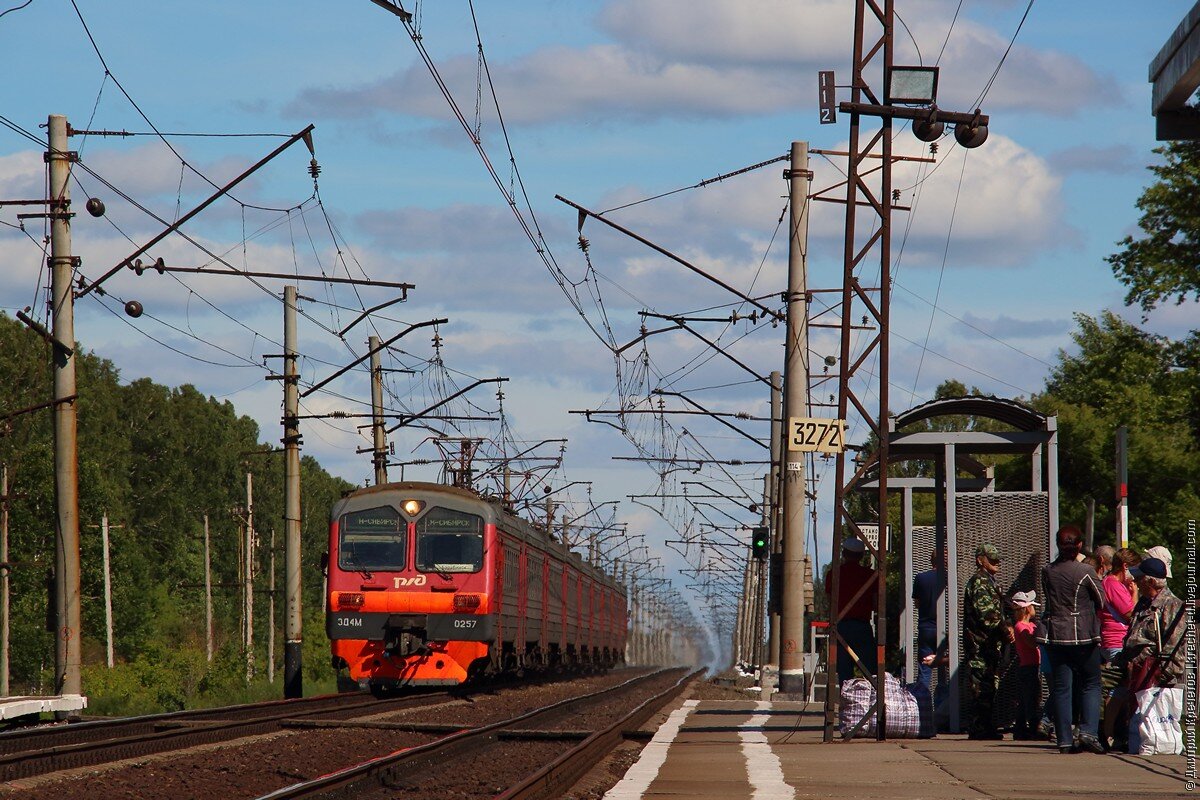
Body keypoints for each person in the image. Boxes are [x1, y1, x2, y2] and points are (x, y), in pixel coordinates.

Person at [1102, 557, 1187, 752]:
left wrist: (1160, 671)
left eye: (1139, 578)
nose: (1135, 582)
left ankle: (1154, 745)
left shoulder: (1171, 604)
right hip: (1134, 669)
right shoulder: (1143, 603)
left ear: (1150, 581)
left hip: (1154, 671)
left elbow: (1173, 644)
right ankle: (1122, 738)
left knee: (1150, 714)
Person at [1038, 524, 1105, 754]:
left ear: (1058, 545)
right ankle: (1088, 731)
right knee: (1091, 683)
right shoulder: (1084, 571)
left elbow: (1050, 598)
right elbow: (1102, 600)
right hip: (1083, 635)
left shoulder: (1048, 571)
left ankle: (1064, 740)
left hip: (1056, 634)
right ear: (1079, 545)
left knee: (1061, 687)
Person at [963, 543, 1011, 740]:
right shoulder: (980, 582)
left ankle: (985, 725)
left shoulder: (989, 582)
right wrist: (1005, 630)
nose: (996, 562)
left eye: (997, 559)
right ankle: (979, 728)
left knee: (988, 686)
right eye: (991, 559)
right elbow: (987, 616)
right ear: (980, 560)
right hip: (980, 645)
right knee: (981, 686)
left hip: (988, 645)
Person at [824, 536, 877, 685]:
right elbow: (875, 603)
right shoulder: (870, 575)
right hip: (862, 626)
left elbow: (830, 602)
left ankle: (845, 701)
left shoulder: (833, 574)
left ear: (843, 553)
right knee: (870, 670)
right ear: (861, 556)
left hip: (841, 626)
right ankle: (873, 700)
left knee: (844, 671)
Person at [1010, 590, 1043, 740]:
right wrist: (1039, 636)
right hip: (1028, 668)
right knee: (1030, 699)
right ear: (1028, 609)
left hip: (1033, 666)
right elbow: (1030, 643)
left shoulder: (1030, 625)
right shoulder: (1021, 627)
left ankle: (1021, 729)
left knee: (1025, 700)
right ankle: (1033, 729)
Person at [912, 547, 945, 689]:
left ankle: (922, 704)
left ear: (931, 560)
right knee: (945, 666)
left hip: (926, 627)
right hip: (945, 629)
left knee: (925, 668)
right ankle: (945, 703)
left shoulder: (920, 578)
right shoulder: (949, 578)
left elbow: (917, 604)